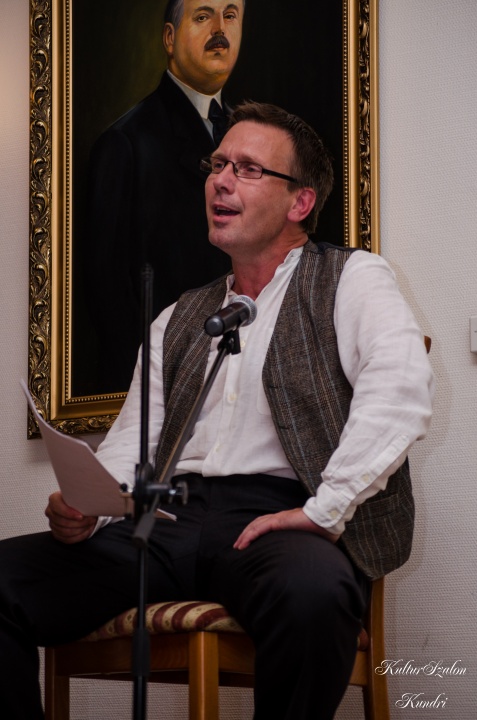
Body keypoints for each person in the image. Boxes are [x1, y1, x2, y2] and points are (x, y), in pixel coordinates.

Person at [0, 102, 434, 720]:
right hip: (166, 524)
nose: (221, 181)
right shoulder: (177, 318)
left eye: (248, 169)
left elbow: (400, 389)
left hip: (278, 520)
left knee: (314, 594)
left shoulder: (352, 278)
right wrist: (89, 512)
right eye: (218, 164)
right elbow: (134, 444)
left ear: (301, 202)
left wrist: (324, 510)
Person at [85, 0, 244, 392]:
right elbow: (108, 298)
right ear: (169, 39)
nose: (220, 29)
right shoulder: (124, 145)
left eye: (230, 15)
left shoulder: (254, 136)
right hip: (164, 389)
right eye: (203, 16)